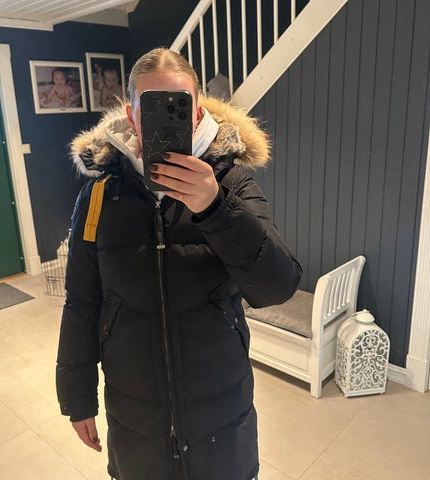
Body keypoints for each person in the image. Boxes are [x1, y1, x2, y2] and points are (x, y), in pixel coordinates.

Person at [56, 48, 302, 480]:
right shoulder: (98, 196)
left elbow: (277, 287)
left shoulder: (231, 182)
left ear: (197, 111)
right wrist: (77, 397)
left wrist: (215, 207)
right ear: (131, 116)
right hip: (135, 417)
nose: (164, 118)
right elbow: (82, 301)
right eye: (149, 107)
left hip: (220, 415)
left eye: (178, 105)